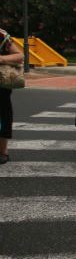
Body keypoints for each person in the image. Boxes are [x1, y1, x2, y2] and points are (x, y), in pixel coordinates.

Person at [0, 28, 24, 164]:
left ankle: (2, 151)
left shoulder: (1, 35)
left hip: (1, 86)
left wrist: (1, 58)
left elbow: (19, 56)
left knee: (3, 115)